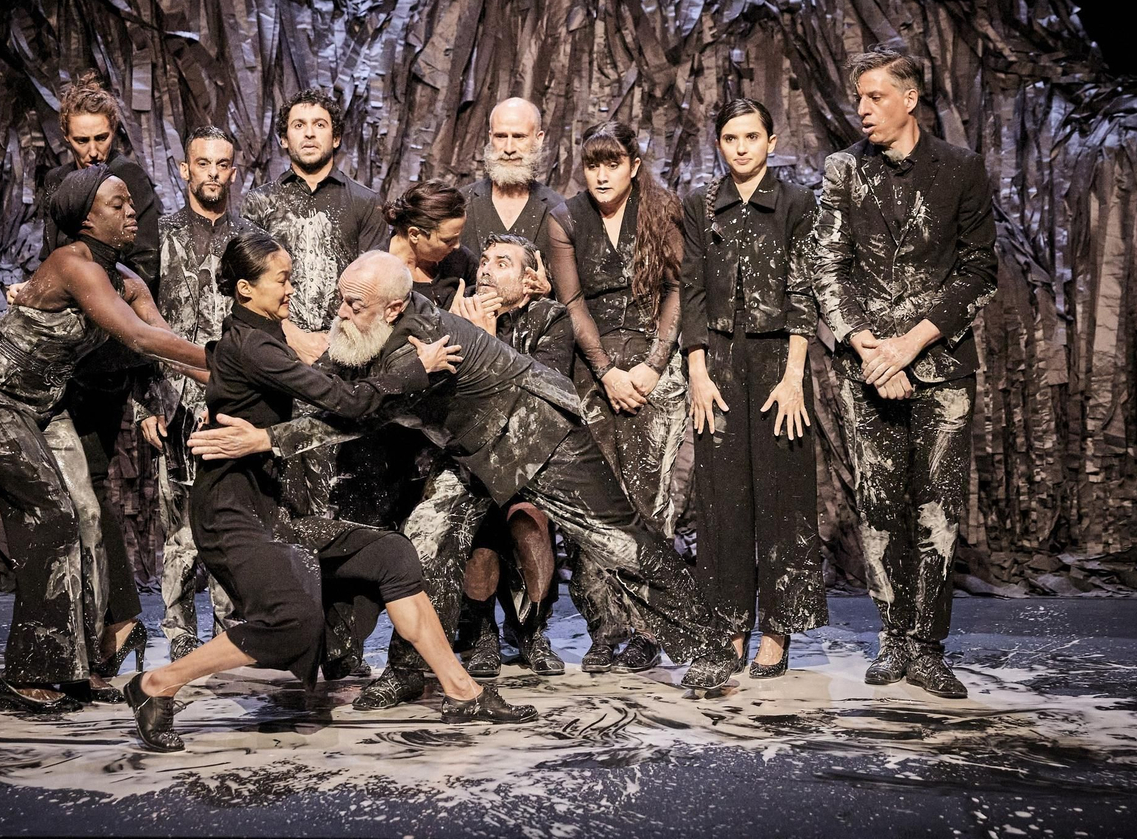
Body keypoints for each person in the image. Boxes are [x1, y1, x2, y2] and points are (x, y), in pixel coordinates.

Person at [188, 252, 743, 704]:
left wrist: (266, 440)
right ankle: (410, 670)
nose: (341, 311)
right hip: (472, 452)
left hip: (536, 435)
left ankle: (712, 645)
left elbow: (355, 412)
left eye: (352, 304)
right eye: (340, 298)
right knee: (425, 541)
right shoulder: (369, 332)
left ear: (394, 307)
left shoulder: (422, 346)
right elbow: (332, 378)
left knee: (618, 542)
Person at [124, 238, 535, 752]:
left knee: (390, 554)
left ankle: (462, 690)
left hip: (265, 505)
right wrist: (416, 367)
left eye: (291, 275)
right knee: (291, 622)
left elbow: (274, 378)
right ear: (247, 289)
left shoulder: (259, 338)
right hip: (230, 511)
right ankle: (156, 685)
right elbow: (345, 400)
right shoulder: (253, 345)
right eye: (282, 279)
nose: (292, 288)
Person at [0, 166, 210, 715]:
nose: (131, 211)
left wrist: (229, 378)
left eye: (130, 204)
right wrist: (229, 364)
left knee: (89, 517)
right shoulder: (73, 264)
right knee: (52, 516)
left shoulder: (127, 280)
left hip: (45, 404)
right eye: (117, 205)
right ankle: (26, 674)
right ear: (85, 216)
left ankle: (86, 661)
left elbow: (160, 341)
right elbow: (136, 335)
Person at [811, 45, 998, 699]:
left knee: (938, 508)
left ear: (910, 97)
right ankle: (894, 637)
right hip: (866, 370)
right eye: (857, 96)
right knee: (880, 506)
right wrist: (870, 350)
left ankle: (927, 644)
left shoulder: (961, 168)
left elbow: (979, 272)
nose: (861, 108)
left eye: (875, 96)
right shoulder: (841, 170)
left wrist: (909, 346)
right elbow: (825, 268)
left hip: (941, 364)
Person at [681, 99, 829, 679]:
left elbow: (804, 290)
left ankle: (777, 629)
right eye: (730, 138)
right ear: (718, 144)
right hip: (717, 360)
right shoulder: (701, 206)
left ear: (772, 141)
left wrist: (795, 375)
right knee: (721, 498)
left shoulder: (796, 203)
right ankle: (727, 626)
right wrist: (696, 370)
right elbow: (691, 289)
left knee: (782, 492)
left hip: (777, 362)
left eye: (751, 137)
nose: (740, 147)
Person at [30, 72, 164, 681]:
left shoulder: (130, 181)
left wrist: (97, 288)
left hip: (106, 357)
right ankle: (110, 618)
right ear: (65, 137)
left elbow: (144, 265)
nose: (93, 151)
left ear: (115, 133)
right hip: (63, 357)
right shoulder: (58, 183)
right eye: (81, 140)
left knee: (91, 482)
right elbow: (57, 261)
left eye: (101, 138)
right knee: (76, 488)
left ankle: (120, 619)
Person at [545, 121, 690, 674]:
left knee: (649, 503)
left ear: (633, 165)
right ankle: (604, 630)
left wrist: (653, 366)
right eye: (592, 164)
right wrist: (605, 371)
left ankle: (649, 629)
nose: (602, 174)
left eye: (613, 163)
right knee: (593, 506)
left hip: (653, 363)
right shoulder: (565, 218)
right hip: (594, 369)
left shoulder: (663, 210)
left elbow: (676, 290)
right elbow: (572, 300)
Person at [133, 125, 243, 661]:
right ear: (185, 169)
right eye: (203, 164)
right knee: (177, 527)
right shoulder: (159, 237)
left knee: (229, 517)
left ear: (234, 171)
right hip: (172, 400)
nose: (213, 174)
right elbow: (138, 328)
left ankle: (230, 631)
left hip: (232, 400)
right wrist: (143, 407)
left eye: (222, 164)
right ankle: (179, 634)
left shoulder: (249, 241)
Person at [449, 234, 570, 678]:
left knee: (530, 527)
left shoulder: (548, 318)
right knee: (479, 536)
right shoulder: (453, 320)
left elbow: (542, 392)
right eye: (483, 261)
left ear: (528, 278)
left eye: (502, 263)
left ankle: (532, 631)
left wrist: (488, 341)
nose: (485, 269)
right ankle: (482, 633)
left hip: (529, 453)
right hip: (473, 455)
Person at [242, 88, 389, 358]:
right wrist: (291, 335)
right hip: (274, 348)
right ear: (284, 140)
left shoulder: (365, 202)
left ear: (336, 138)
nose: (309, 133)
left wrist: (340, 338)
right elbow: (248, 284)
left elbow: (377, 285)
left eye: (319, 125)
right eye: (299, 125)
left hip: (348, 349)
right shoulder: (258, 202)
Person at [457, 97, 569, 262]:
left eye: (519, 137)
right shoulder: (459, 204)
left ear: (538, 139)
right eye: (501, 136)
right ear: (490, 137)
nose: (509, 148)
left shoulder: (559, 211)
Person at [385, 180, 476, 307]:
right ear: (414, 234)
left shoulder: (460, 259)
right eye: (447, 240)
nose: (456, 246)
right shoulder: (378, 273)